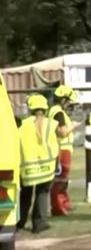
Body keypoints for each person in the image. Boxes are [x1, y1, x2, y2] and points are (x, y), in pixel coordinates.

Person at [17, 94, 59, 234]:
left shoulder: (22, 125)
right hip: (47, 166)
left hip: (27, 167)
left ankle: (20, 221)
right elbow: (56, 145)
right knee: (42, 194)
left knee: (25, 195)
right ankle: (39, 223)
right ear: (46, 108)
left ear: (30, 109)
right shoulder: (51, 124)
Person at [49, 85, 81, 216]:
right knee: (60, 180)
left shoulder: (54, 111)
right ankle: (57, 207)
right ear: (63, 100)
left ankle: (64, 203)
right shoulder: (58, 113)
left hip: (62, 149)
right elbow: (62, 132)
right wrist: (72, 126)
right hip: (61, 150)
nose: (70, 105)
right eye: (68, 102)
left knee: (63, 179)